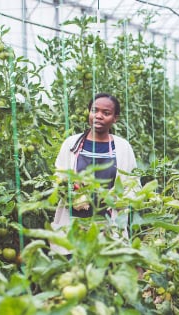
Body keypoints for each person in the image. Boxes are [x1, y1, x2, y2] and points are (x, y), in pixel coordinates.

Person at [51, 93, 139, 255]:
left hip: (109, 229)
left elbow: (133, 185)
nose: (98, 116)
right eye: (94, 110)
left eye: (106, 113)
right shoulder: (71, 144)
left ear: (115, 118)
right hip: (73, 227)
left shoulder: (123, 147)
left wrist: (115, 198)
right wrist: (71, 192)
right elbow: (58, 178)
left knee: (105, 272)